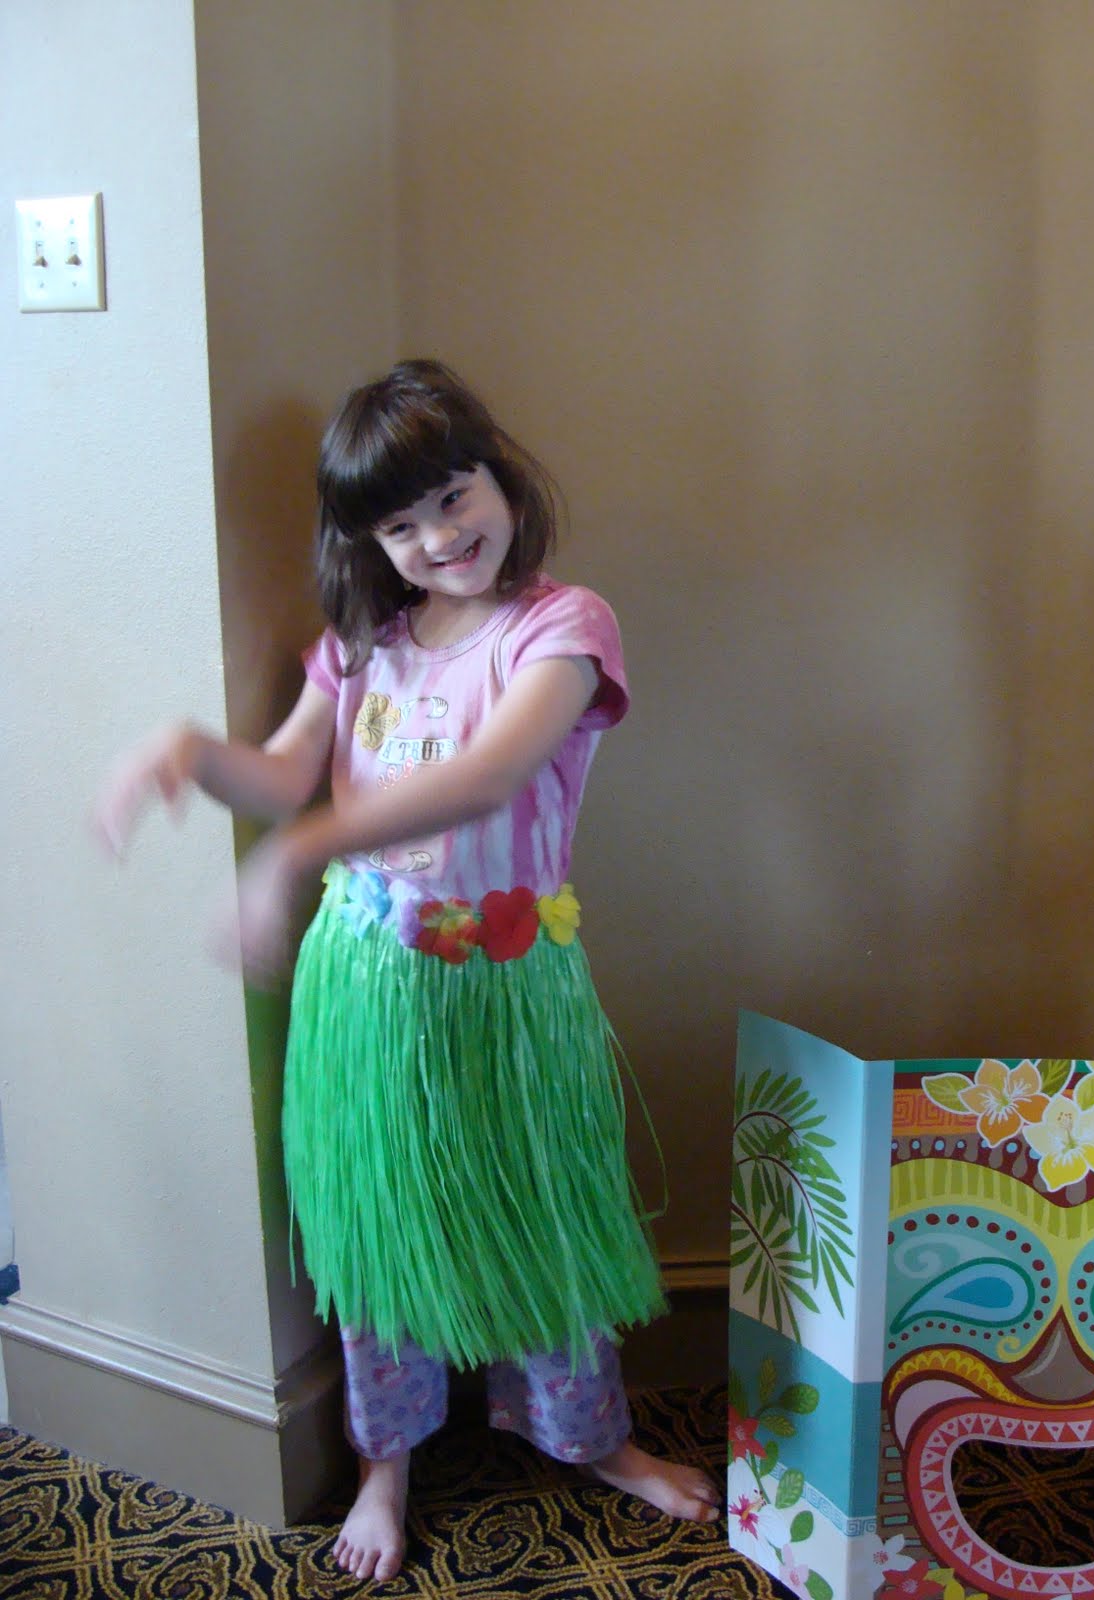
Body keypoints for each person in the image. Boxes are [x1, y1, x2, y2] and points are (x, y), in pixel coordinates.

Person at [93, 359, 719, 1582]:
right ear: (368, 543)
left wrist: (298, 851)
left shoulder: (560, 627)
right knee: (377, 1222)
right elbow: (282, 773)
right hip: (365, 983)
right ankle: (385, 1461)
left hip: (508, 986)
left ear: (500, 477)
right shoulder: (361, 644)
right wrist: (186, 751)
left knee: (542, 1204)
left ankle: (592, 1436)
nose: (437, 537)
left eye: (451, 496)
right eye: (400, 525)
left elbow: (488, 774)